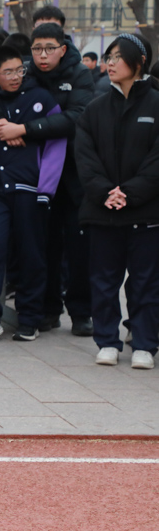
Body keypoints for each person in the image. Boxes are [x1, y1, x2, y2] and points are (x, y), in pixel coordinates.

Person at [0, 22, 95, 336]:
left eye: (49, 48)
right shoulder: (21, 71)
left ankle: (81, 312)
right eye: (37, 48)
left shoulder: (79, 74)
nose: (42, 55)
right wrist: (1, 121)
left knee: (76, 245)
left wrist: (24, 130)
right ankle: (44, 312)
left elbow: (76, 118)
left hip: (71, 173)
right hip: (21, 180)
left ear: (62, 48)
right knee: (38, 247)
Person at [76, 33, 159, 369]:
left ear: (139, 63)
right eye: (108, 57)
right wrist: (106, 192)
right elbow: (85, 157)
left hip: (147, 211)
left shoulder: (156, 104)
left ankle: (144, 344)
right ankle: (107, 341)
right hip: (103, 211)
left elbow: (156, 160)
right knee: (104, 280)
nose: (110, 63)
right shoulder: (95, 109)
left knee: (145, 282)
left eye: (117, 57)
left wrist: (131, 192)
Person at [0, 46, 65, 344]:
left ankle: (29, 319)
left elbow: (56, 146)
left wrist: (46, 189)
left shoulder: (42, 98)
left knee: (31, 254)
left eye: (19, 70)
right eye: (8, 72)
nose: (15, 77)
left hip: (31, 190)